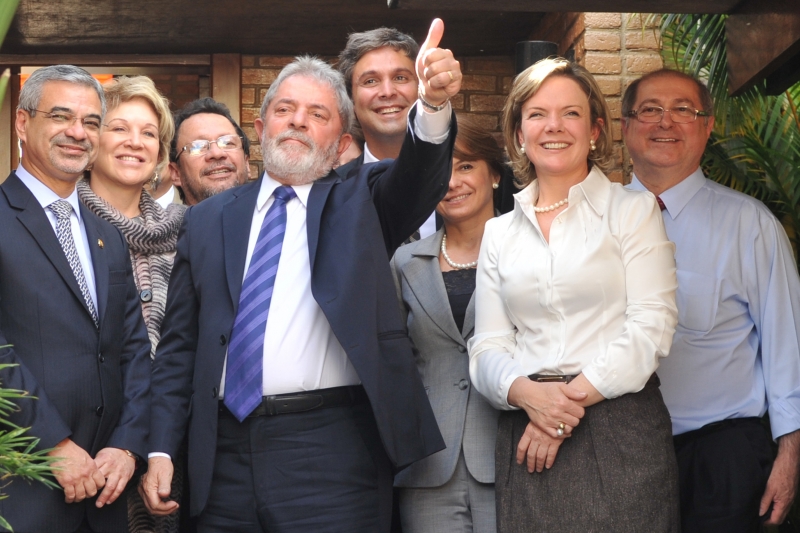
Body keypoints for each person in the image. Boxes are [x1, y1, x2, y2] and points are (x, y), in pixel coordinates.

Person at [141, 19, 461, 532]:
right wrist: (160, 449)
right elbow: (179, 346)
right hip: (220, 455)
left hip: (332, 452)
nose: (296, 122)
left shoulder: (362, 199)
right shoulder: (208, 219)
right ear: (262, 125)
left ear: (340, 141)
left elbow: (418, 176)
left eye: (317, 114)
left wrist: (435, 106)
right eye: (284, 110)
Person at [468, 58, 681, 532]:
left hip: (618, 428)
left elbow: (651, 327)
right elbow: (487, 347)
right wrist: (528, 396)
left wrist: (560, 408)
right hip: (526, 433)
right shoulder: (498, 233)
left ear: (595, 131)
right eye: (537, 114)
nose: (554, 127)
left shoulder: (633, 210)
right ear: (518, 134)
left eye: (570, 113)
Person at [622, 68, 800, 532]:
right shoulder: (592, 221)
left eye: (683, 110)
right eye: (650, 110)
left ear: (708, 125)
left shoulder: (749, 224)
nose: (666, 122)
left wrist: (790, 454)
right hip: (619, 453)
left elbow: (788, 347)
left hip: (723, 458)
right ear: (625, 126)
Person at [0, 65, 151, 532]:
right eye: (61, 116)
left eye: (90, 122)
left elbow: (133, 351)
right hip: (23, 486)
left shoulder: (107, 234)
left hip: (103, 493)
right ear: (23, 123)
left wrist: (127, 446)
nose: (76, 132)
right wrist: (52, 444)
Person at [75, 75, 186, 533]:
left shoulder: (190, 232)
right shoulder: (64, 229)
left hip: (173, 451)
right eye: (119, 128)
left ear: (161, 153)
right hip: (86, 456)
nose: (135, 143)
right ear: (92, 137)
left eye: (149, 133)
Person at [390, 119, 502, 533]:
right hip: (428, 467)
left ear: (494, 174)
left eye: (467, 166)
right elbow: (394, 363)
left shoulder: (531, 251)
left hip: (513, 455)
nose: (452, 182)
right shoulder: (404, 263)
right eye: (441, 169)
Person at [337, 26, 440, 240]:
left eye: (401, 78)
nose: (387, 92)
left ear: (421, 88)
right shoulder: (331, 190)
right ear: (351, 99)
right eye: (370, 81)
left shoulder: (460, 181)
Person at [168, 97, 251, 205]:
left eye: (227, 143)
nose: (217, 153)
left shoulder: (275, 220)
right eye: (198, 147)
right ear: (176, 173)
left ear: (247, 163)